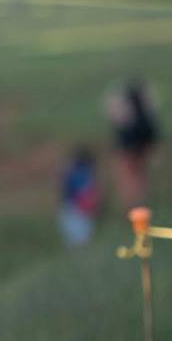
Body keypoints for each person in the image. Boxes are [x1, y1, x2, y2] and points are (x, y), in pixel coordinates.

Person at [105, 80, 159, 209]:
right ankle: (139, 204)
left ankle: (133, 206)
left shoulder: (129, 114)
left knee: (129, 179)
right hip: (140, 150)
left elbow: (115, 116)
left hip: (128, 151)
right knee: (139, 178)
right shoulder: (145, 113)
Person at [58, 147, 99, 247]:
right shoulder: (85, 173)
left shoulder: (70, 171)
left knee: (73, 241)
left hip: (69, 208)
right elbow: (85, 194)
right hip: (77, 209)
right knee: (82, 240)